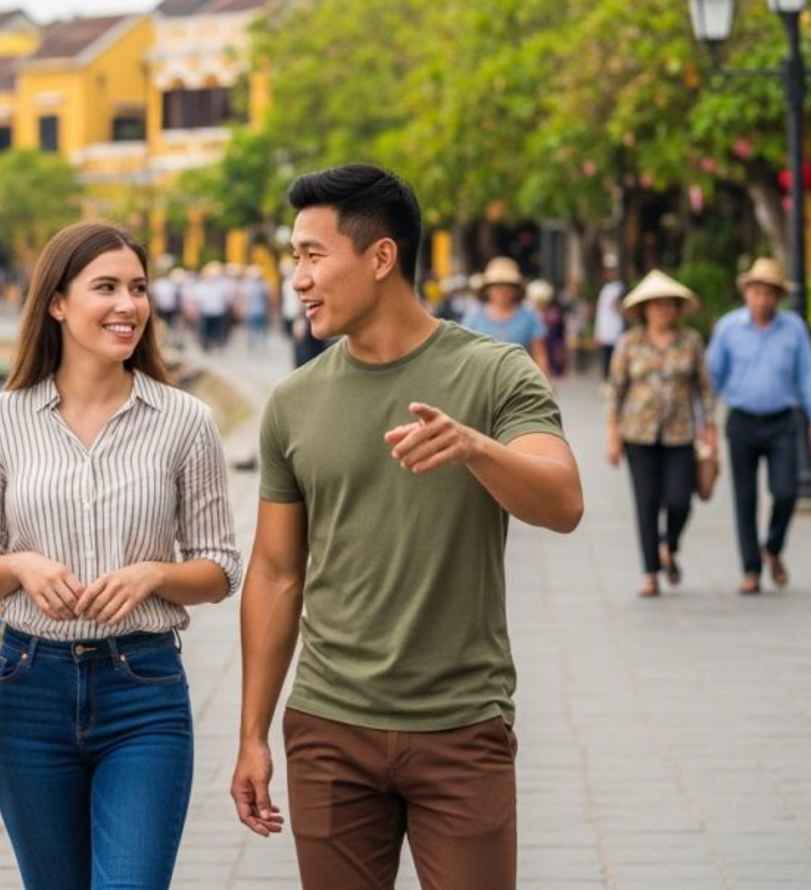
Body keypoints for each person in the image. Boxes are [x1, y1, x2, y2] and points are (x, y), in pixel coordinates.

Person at [230, 164, 583, 890]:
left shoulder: (495, 374)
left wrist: (476, 447)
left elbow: (564, 502)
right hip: (328, 727)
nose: (296, 278)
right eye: (292, 257)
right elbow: (275, 572)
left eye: (311, 254)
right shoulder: (292, 402)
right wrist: (251, 735)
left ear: (381, 257)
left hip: (461, 727)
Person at [0, 222, 241, 890]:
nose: (127, 305)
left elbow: (221, 568)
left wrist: (157, 575)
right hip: (29, 691)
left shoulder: (184, 421)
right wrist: (20, 566)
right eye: (105, 287)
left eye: (137, 288)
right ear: (57, 303)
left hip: (143, 691)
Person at [707, 257, 811, 595]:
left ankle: (772, 547)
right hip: (742, 420)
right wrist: (706, 424)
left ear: (778, 296)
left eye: (770, 293)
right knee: (745, 498)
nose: (763, 299)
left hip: (782, 421)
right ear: (747, 293)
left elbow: (808, 376)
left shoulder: (793, 328)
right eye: (757, 292)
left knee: (786, 492)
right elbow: (712, 377)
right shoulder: (729, 327)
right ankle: (751, 568)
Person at [605, 270, 716, 598]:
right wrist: (612, 436)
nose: (662, 311)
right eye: (655, 306)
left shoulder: (691, 341)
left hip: (680, 433)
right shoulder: (628, 343)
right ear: (644, 310)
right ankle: (650, 572)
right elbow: (615, 391)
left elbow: (705, 390)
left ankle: (670, 544)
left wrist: (709, 430)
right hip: (637, 434)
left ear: (677, 309)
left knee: (681, 499)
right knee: (646, 502)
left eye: (668, 305)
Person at [463, 257, 552, 377]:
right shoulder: (473, 317)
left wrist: (544, 383)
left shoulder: (529, 316)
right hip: (483, 384)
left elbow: (540, 354)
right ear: (487, 289)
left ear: (516, 290)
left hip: (521, 382)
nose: (502, 291)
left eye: (507, 286)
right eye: (497, 286)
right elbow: (465, 355)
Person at [594, 259, 626, 379]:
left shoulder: (620, 288)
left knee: (616, 357)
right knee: (606, 358)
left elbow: (621, 308)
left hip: (616, 329)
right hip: (605, 330)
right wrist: (597, 332)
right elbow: (600, 313)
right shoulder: (604, 289)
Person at [241, 265, 272, 353]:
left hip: (257, 311)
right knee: (256, 329)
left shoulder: (249, 285)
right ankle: (257, 345)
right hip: (255, 311)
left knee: (257, 329)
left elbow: (268, 298)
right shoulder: (262, 285)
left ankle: (256, 345)